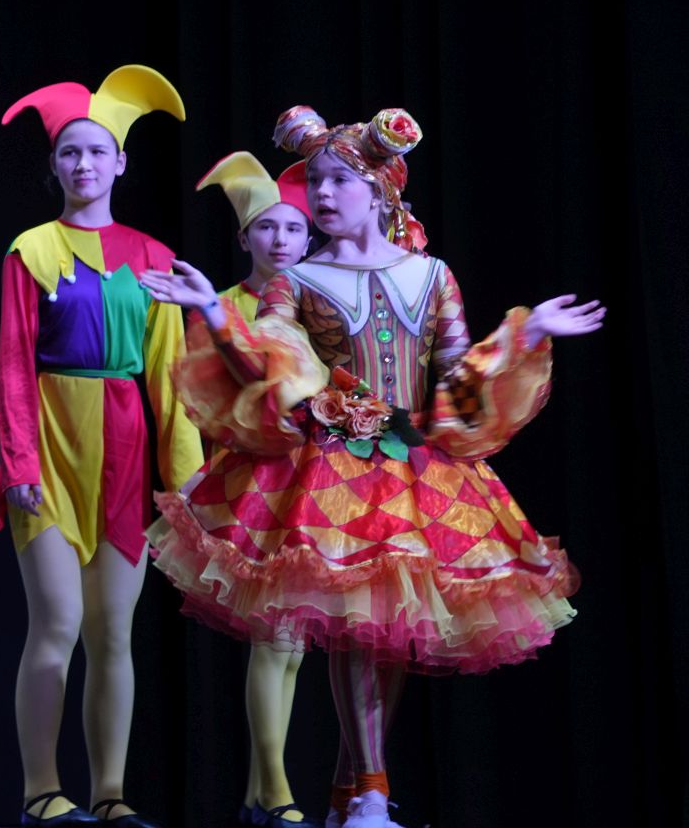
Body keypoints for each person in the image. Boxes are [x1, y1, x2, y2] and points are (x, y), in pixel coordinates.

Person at [142, 107, 599, 828]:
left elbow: (457, 380)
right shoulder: (297, 280)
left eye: (338, 181)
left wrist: (524, 335)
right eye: (315, 181)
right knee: (357, 626)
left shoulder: (432, 275)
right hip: (332, 468)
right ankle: (374, 791)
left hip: (417, 464)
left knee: (388, 635)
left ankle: (349, 796)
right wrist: (217, 315)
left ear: (381, 190)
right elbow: (270, 367)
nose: (321, 195)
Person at [0, 66, 200, 827]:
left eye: (96, 151)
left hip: (126, 449)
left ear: (121, 163)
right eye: (70, 153)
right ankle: (41, 792)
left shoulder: (154, 256)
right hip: (49, 444)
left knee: (114, 635)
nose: (83, 164)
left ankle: (110, 794)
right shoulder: (31, 250)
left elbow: (172, 375)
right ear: (55, 165)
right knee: (57, 625)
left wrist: (187, 480)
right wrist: (19, 461)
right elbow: (14, 364)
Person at [191, 152, 318, 826]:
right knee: (274, 635)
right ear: (244, 238)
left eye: (294, 229)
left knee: (291, 642)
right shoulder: (222, 307)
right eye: (266, 228)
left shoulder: (319, 305)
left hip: (312, 483)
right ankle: (276, 794)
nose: (281, 240)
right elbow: (194, 399)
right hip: (249, 482)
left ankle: (255, 798)